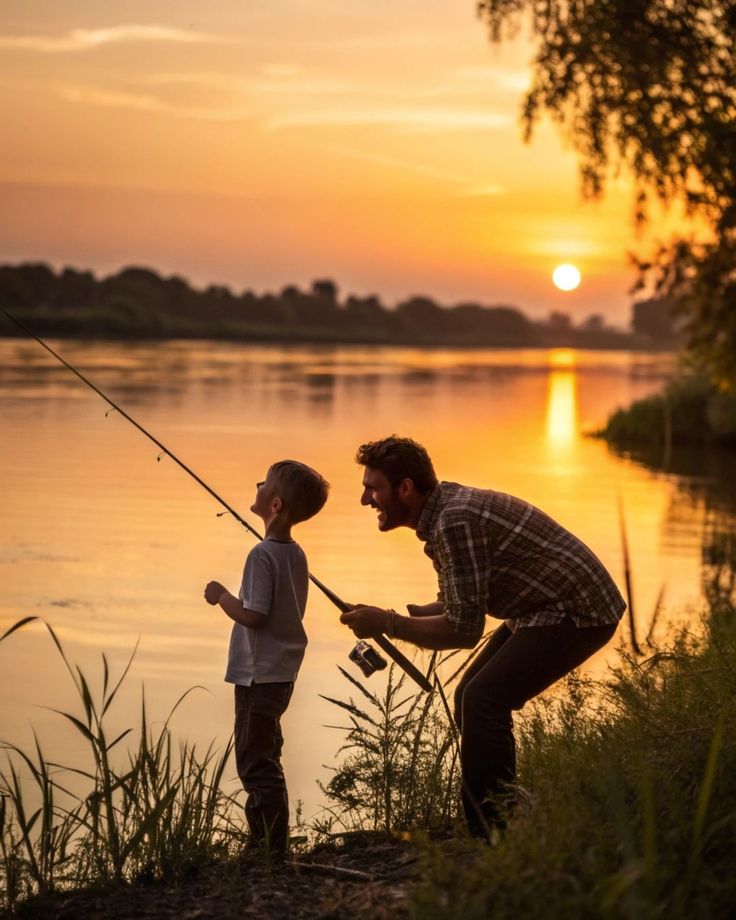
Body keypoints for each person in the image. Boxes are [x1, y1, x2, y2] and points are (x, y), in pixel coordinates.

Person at [340, 436, 625, 838]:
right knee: (469, 695)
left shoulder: (453, 522)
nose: (365, 499)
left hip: (579, 610)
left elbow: (463, 629)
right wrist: (400, 615)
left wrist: (387, 623)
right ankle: (499, 814)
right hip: (541, 606)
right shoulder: (445, 511)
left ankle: (490, 830)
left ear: (405, 488)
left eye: (373, 488)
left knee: (483, 699)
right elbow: (459, 601)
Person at [204, 460, 329, 855]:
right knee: (267, 754)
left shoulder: (261, 555)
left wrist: (221, 596)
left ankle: (268, 848)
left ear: (275, 505)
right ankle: (270, 843)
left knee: (254, 761)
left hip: (257, 677)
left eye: (265, 483)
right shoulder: (296, 554)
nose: (257, 484)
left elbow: (254, 615)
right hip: (282, 672)